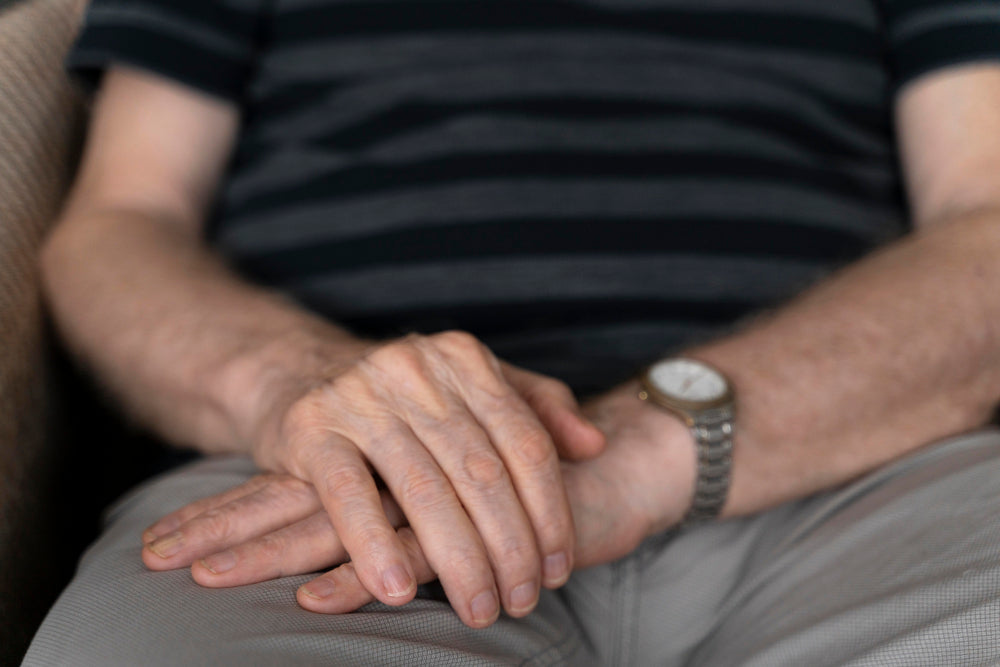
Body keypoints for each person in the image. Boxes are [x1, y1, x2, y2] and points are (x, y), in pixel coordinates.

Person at [21, 0, 1000, 664]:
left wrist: (634, 457)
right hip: (337, 489)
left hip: (860, 473)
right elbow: (121, 221)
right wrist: (299, 384)